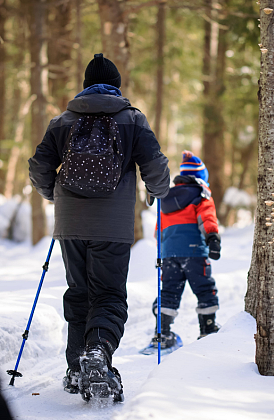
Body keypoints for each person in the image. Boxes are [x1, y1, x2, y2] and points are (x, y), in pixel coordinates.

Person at [28, 53, 170, 402]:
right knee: (107, 294)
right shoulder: (132, 119)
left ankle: (77, 368)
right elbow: (156, 166)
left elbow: (38, 167)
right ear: (116, 84)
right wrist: (155, 193)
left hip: (70, 222)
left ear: (85, 84)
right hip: (113, 225)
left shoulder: (62, 121)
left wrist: (53, 195)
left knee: (78, 292)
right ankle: (98, 354)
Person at [150, 150, 221, 350]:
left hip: (169, 254)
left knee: (170, 290)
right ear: (201, 177)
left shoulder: (166, 198)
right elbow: (207, 218)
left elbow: (159, 230)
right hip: (194, 253)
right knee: (204, 288)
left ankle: (162, 334)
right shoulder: (201, 194)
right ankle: (208, 329)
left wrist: (162, 253)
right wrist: (213, 238)